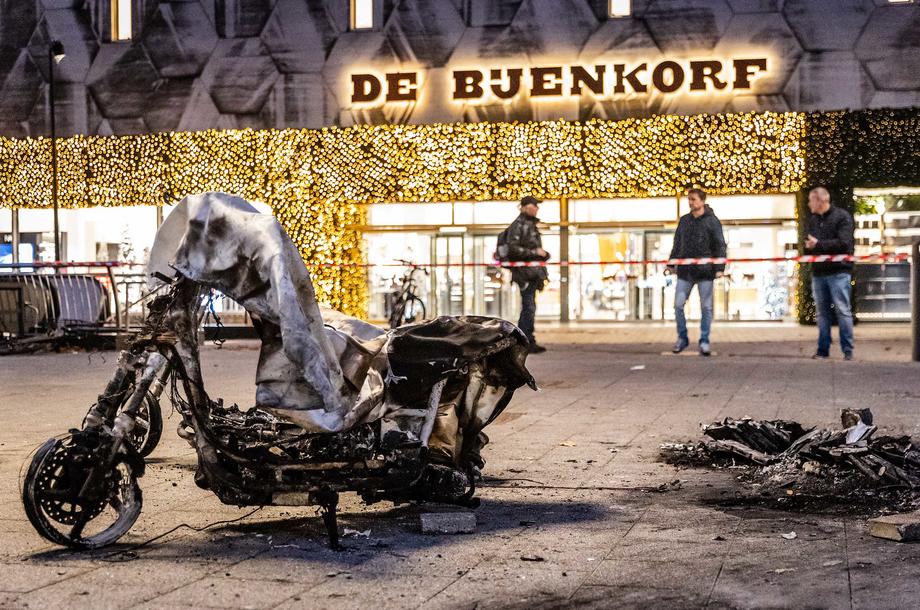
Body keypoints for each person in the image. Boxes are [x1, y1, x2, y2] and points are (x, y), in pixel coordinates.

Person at [669, 188, 727, 356]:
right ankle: (682, 338)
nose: (690, 202)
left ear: (702, 201)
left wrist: (719, 268)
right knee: (678, 305)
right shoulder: (685, 221)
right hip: (685, 271)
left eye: (693, 199)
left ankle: (704, 340)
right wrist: (672, 263)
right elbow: (677, 242)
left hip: (705, 272)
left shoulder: (712, 221)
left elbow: (720, 244)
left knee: (706, 307)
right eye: (689, 199)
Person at [804, 186, 855, 361]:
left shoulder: (842, 217)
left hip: (839, 271)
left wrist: (817, 244)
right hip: (819, 272)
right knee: (822, 313)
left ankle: (847, 350)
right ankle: (822, 350)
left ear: (820, 200)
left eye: (811, 200)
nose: (809, 203)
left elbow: (844, 243)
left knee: (842, 310)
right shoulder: (813, 220)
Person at [505, 195, 550, 353]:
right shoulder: (519, 225)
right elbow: (513, 248)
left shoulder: (529, 225)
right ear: (524, 207)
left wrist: (542, 255)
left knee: (530, 307)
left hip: (531, 273)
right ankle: (524, 341)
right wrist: (535, 251)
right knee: (528, 307)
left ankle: (527, 339)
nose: (536, 208)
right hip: (524, 274)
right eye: (533, 205)